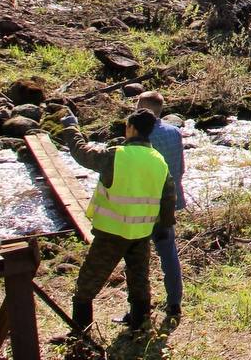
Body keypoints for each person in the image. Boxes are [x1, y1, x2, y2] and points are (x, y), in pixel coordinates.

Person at [59, 108, 175, 334]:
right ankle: (140, 324)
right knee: (139, 279)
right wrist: (164, 226)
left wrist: (71, 127)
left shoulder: (116, 154)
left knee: (87, 283)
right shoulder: (159, 160)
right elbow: (168, 196)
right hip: (141, 231)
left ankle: (80, 332)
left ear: (131, 128)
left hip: (112, 232)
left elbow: (81, 153)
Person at [135, 90, 185, 321]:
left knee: (137, 258)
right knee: (169, 254)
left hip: (141, 206)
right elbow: (180, 170)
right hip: (166, 205)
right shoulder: (175, 132)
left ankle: (139, 309)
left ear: (141, 108)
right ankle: (174, 304)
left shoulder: (138, 136)